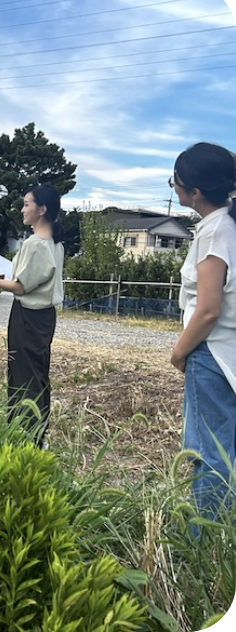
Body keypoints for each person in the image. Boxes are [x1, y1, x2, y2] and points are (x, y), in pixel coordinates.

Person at [169, 142, 236, 523]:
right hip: (227, 350)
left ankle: (204, 541)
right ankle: (221, 537)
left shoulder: (215, 231)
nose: (173, 187)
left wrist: (180, 351)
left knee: (208, 452)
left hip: (209, 352)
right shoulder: (228, 224)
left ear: (195, 192)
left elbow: (209, 308)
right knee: (224, 448)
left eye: (175, 181)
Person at [0, 184, 64, 445]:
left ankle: (24, 437)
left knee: (22, 376)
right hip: (45, 316)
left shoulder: (35, 245)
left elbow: (20, 287)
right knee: (37, 374)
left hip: (27, 316)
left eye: (26, 204)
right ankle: (37, 435)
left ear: (42, 209)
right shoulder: (56, 243)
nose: (22, 209)